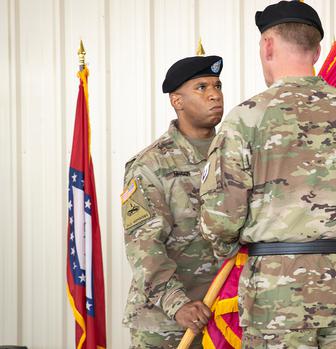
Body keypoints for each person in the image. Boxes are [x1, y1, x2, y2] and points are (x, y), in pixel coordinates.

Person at [199, 1, 336, 348]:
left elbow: (220, 217)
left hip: (277, 294)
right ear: (317, 50)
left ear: (268, 45)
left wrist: (235, 246)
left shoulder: (247, 117)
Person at [120, 55, 224, 349]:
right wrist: (178, 304)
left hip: (225, 316)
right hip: (167, 323)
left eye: (217, 85)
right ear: (177, 101)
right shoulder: (149, 165)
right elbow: (144, 246)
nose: (214, 94)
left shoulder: (235, 156)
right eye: (201, 87)